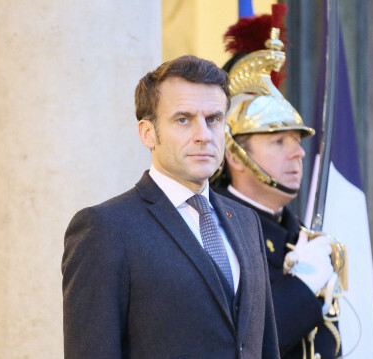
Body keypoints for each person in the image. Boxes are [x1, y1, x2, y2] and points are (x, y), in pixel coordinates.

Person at [62, 55, 280, 359]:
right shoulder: (106, 228)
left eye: (213, 119)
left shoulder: (245, 220)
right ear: (147, 133)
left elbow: (263, 345)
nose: (203, 134)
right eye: (183, 119)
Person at [212, 9, 342, 359]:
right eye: (278, 141)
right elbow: (243, 343)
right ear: (236, 155)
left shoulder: (298, 233)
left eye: (297, 140)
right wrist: (302, 288)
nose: (298, 153)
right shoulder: (213, 227)